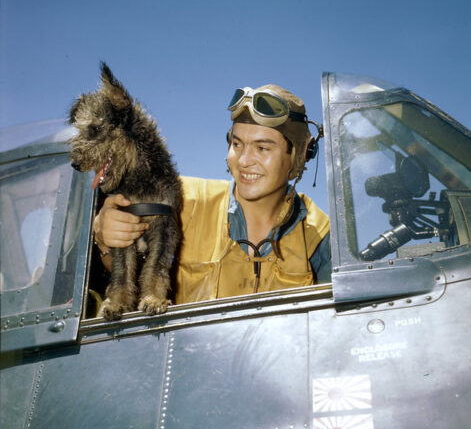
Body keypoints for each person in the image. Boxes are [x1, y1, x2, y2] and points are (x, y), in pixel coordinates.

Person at [93, 84, 331, 304]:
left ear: (298, 155)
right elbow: (127, 272)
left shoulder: (318, 234)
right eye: (237, 145)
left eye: (262, 148)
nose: (244, 161)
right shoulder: (181, 199)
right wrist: (104, 237)